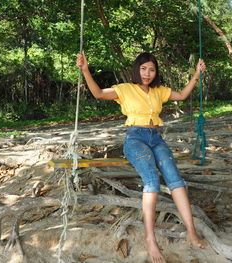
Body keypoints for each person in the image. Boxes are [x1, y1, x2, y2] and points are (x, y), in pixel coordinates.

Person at [77, 52, 207, 263]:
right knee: (152, 181)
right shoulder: (125, 89)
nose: (147, 73)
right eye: (143, 69)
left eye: (152, 70)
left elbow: (182, 95)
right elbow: (99, 93)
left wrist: (196, 75)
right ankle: (150, 237)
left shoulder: (159, 91)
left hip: (156, 138)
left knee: (176, 180)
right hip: (135, 139)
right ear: (137, 69)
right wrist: (85, 70)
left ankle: (191, 231)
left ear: (156, 73)